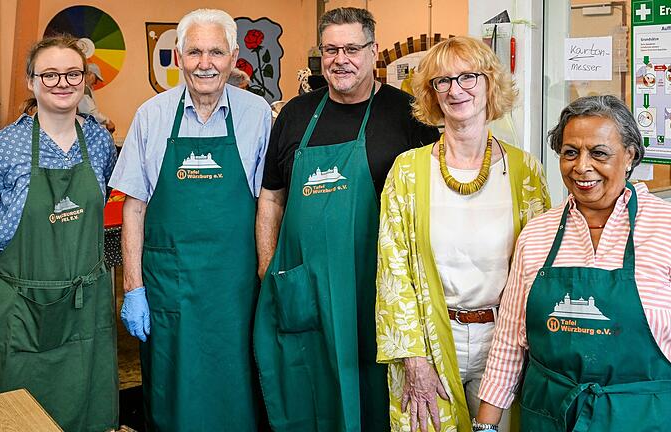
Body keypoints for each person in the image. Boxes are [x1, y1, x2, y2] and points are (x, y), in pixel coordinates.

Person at [253, 7, 440, 431]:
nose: (341, 59)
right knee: (310, 398)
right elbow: (271, 199)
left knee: (375, 401)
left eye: (352, 48)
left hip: (377, 292)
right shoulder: (295, 114)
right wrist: (270, 271)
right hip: (308, 291)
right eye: (331, 49)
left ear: (373, 51)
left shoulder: (410, 116)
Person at [476, 95, 671, 431]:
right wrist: (485, 425)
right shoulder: (538, 234)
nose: (582, 166)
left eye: (599, 153)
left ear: (630, 156)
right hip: (549, 415)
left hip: (642, 417)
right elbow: (509, 341)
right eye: (570, 152)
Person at [375, 36, 551, 432]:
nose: (456, 90)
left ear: (490, 84)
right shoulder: (407, 171)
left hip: (504, 342)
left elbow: (540, 269)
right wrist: (414, 360)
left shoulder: (525, 171)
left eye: (468, 77)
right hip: (431, 343)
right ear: (431, 93)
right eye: (443, 81)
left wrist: (528, 347)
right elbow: (393, 272)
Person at [109, 8, 272, 431]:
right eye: (195, 51)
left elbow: (271, 205)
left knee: (238, 393)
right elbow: (134, 207)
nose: (205, 63)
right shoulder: (151, 115)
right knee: (174, 395)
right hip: (170, 291)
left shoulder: (258, 115)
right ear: (179, 56)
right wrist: (133, 288)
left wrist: (269, 279)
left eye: (216, 52)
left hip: (236, 294)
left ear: (234, 56)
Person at [0, 35, 118, 432]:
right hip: (23, 307)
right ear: (31, 82)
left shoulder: (99, 142)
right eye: (49, 74)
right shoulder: (2, 148)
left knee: (90, 408)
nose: (62, 83)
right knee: (20, 414)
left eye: (72, 73)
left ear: (85, 80)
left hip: (86, 304)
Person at [78, 62, 115, 133]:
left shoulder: (85, 89)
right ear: (91, 74)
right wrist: (107, 121)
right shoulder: (84, 89)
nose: (96, 83)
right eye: (96, 78)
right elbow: (90, 113)